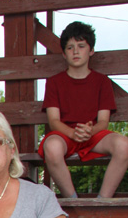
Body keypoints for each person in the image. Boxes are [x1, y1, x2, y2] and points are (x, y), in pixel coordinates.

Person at [40, 21, 128, 200]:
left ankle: (103, 201)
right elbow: (54, 121)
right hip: (65, 134)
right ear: (64, 54)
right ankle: (73, 200)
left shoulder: (102, 81)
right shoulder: (54, 82)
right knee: (51, 147)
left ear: (91, 50)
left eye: (81, 46)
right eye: (70, 47)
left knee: (124, 145)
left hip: (93, 134)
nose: (76, 51)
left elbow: (103, 121)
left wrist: (89, 131)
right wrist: (73, 133)